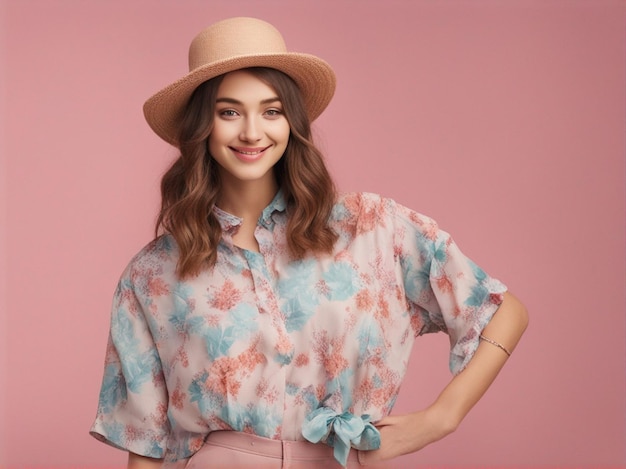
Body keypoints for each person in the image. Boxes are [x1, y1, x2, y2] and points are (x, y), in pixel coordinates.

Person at [90, 17, 528, 469]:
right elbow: (145, 443)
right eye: (229, 112)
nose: (252, 132)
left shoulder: (372, 228)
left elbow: (503, 311)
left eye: (272, 110)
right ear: (202, 126)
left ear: (291, 122)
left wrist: (441, 418)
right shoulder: (153, 273)